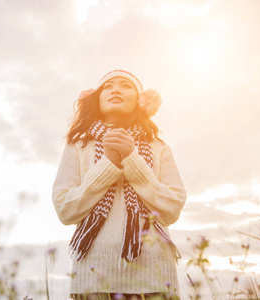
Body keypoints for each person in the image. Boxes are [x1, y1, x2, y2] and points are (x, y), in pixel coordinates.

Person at [52, 70, 187, 300]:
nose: (115, 89)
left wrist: (131, 157)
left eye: (125, 85)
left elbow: (172, 207)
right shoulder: (78, 146)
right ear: (96, 98)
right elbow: (65, 209)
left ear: (140, 100)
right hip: (93, 277)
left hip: (154, 276)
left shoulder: (159, 147)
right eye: (107, 86)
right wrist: (109, 164)